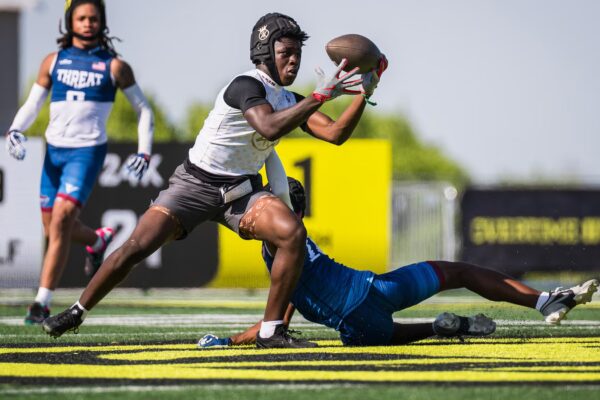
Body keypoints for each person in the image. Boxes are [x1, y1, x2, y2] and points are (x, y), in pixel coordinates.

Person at [42, 12, 387, 348]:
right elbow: (268, 126)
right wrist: (318, 97)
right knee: (137, 247)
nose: (294, 60)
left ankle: (270, 331)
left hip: (240, 193)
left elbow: (335, 134)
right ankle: (77, 311)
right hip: (193, 186)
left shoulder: (288, 99)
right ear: (265, 52)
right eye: (286, 52)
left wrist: (364, 94)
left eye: (298, 53)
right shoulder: (245, 85)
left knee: (292, 233)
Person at [198, 177, 599, 348]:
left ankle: (443, 328)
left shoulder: (281, 249)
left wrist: (229, 342)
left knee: (390, 334)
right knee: (458, 272)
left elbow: (275, 323)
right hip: (375, 292)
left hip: (358, 329)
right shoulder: (289, 245)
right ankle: (542, 300)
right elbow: (276, 320)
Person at [4, 0, 154, 325]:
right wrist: (15, 129)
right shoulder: (53, 61)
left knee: (60, 220)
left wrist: (144, 150)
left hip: (86, 153)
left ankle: (41, 303)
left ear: (102, 22)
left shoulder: (115, 66)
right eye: (82, 17)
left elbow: (144, 109)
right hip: (54, 152)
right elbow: (33, 104)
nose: (88, 23)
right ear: (70, 21)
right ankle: (97, 240)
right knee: (53, 228)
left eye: (93, 18)